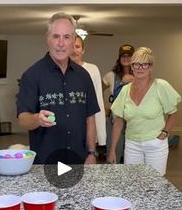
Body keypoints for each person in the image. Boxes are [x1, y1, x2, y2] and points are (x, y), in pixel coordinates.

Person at [16, 12, 100, 165]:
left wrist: (92, 153)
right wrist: (37, 119)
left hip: (78, 160)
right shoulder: (32, 75)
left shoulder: (84, 76)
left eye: (67, 37)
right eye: (56, 36)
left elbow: (90, 118)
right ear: (47, 38)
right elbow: (22, 119)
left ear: (73, 40)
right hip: (45, 162)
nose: (61, 43)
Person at [108, 46, 181, 176]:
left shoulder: (161, 86)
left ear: (150, 67)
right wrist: (112, 149)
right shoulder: (125, 90)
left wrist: (164, 133)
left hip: (155, 144)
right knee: (134, 183)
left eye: (144, 64)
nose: (140, 68)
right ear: (132, 66)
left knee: (155, 184)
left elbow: (172, 114)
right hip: (132, 145)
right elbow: (119, 121)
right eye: (136, 64)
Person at [70, 35, 106, 159]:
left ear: (83, 50)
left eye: (78, 47)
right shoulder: (60, 69)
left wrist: (100, 134)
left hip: (88, 122)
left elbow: (98, 100)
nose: (74, 50)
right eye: (71, 47)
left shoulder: (92, 69)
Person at [103, 44, 135, 163]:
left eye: (129, 56)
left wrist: (134, 80)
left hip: (134, 121)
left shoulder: (140, 74)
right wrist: (104, 107)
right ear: (119, 58)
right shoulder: (111, 76)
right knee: (114, 154)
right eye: (123, 56)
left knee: (133, 156)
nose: (126, 58)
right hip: (116, 119)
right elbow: (97, 90)